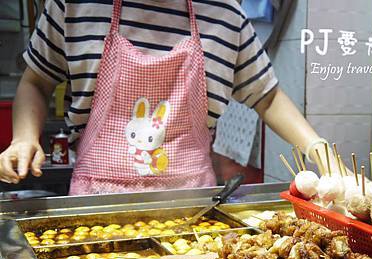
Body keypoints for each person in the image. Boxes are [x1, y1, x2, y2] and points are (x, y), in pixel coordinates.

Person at [0, 0, 327, 193]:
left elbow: (266, 96)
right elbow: (37, 82)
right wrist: (23, 138)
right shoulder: (74, 5)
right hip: (95, 203)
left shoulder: (224, 13)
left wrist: (320, 150)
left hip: (192, 211)